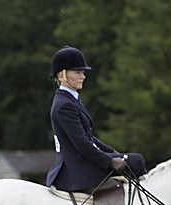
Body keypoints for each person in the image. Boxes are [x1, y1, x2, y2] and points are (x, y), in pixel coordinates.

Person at [46, 46, 146, 192]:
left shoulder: (70, 99)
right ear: (62, 75)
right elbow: (82, 144)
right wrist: (110, 161)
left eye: (83, 72)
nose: (83, 77)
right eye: (78, 73)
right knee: (137, 161)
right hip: (77, 170)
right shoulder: (64, 105)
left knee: (132, 159)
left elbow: (90, 138)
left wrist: (112, 152)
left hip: (82, 161)